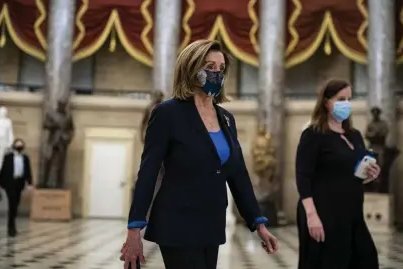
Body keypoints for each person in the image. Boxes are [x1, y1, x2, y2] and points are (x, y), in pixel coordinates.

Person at [121, 39, 278, 269]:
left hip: (211, 224)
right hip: (176, 222)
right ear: (191, 69)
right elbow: (148, 171)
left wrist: (259, 224)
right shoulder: (168, 113)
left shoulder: (226, 119)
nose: (217, 73)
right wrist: (134, 228)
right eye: (209, 67)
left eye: (221, 68)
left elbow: (238, 176)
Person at [295, 79, 381, 269]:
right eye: (341, 98)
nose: (346, 104)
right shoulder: (313, 135)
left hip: (352, 213)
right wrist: (312, 216)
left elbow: (353, 174)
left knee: (367, 258)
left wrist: (370, 175)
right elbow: (303, 177)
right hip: (323, 213)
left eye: (349, 99)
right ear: (326, 102)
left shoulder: (354, 135)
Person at [0, 138, 33, 237]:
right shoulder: (8, 157)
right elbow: (3, 170)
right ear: (14, 146)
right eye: (18, 144)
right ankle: (11, 227)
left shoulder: (25, 158)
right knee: (12, 203)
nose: (19, 146)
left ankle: (12, 223)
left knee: (16, 204)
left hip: (19, 183)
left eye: (21, 145)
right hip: (10, 183)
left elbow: (28, 171)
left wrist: (29, 183)